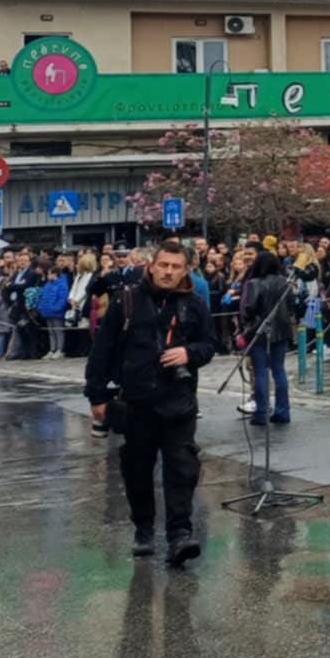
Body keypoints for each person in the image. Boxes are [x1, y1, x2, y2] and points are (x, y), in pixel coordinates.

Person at [85, 239, 218, 564]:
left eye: (176, 267)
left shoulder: (195, 304)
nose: (168, 272)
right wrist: (97, 395)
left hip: (178, 403)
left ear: (186, 269)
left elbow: (211, 344)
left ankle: (179, 535)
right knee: (137, 471)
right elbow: (101, 350)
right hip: (136, 402)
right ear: (151, 266)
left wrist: (189, 352)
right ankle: (143, 529)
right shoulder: (126, 300)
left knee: (182, 471)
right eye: (164, 265)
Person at [239, 245, 294, 427]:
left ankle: (261, 412)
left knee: (261, 371)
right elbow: (293, 305)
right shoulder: (285, 282)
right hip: (282, 330)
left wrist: (245, 322)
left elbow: (249, 309)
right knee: (279, 370)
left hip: (259, 331)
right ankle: (283, 410)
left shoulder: (254, 283)